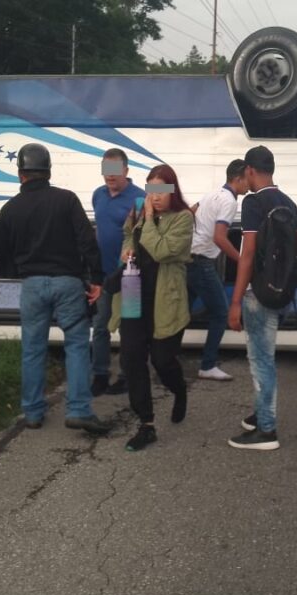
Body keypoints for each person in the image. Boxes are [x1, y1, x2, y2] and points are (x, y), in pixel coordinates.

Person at [0, 144, 111, 435]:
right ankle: (79, 410)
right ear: (48, 172)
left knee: (33, 349)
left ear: (21, 174)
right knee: (77, 345)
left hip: (32, 286)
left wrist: (18, 264)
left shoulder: (10, 208)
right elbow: (87, 241)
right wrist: (96, 278)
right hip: (68, 283)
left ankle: (32, 413)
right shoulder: (66, 200)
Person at [111, 164, 194, 452]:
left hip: (165, 300)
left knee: (162, 361)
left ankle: (179, 388)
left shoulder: (183, 219)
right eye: (151, 190)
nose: (155, 197)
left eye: (161, 191)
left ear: (172, 191)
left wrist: (147, 219)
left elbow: (160, 250)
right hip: (134, 294)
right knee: (132, 358)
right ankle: (146, 424)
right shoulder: (136, 211)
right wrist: (126, 248)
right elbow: (127, 235)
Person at [227, 145, 297, 451]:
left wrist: (235, 300)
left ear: (250, 171)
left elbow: (248, 254)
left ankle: (266, 431)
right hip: (282, 290)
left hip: (258, 292)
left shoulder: (254, 203)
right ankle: (261, 413)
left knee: (260, 360)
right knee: (263, 355)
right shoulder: (288, 203)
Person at [187, 159, 248, 381]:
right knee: (221, 313)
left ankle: (162, 356)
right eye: (247, 179)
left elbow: (190, 212)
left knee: (182, 314)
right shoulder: (230, 201)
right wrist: (241, 260)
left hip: (188, 259)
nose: (249, 183)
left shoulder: (210, 194)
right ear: (238, 179)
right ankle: (208, 364)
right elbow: (220, 238)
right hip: (202, 262)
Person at [90, 148, 145, 397]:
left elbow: (145, 233)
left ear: (126, 170)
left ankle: (127, 376)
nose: (110, 176)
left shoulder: (140, 198)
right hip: (103, 277)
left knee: (128, 328)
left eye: (114, 171)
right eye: (105, 170)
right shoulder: (97, 196)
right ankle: (100, 374)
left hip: (131, 276)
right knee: (100, 326)